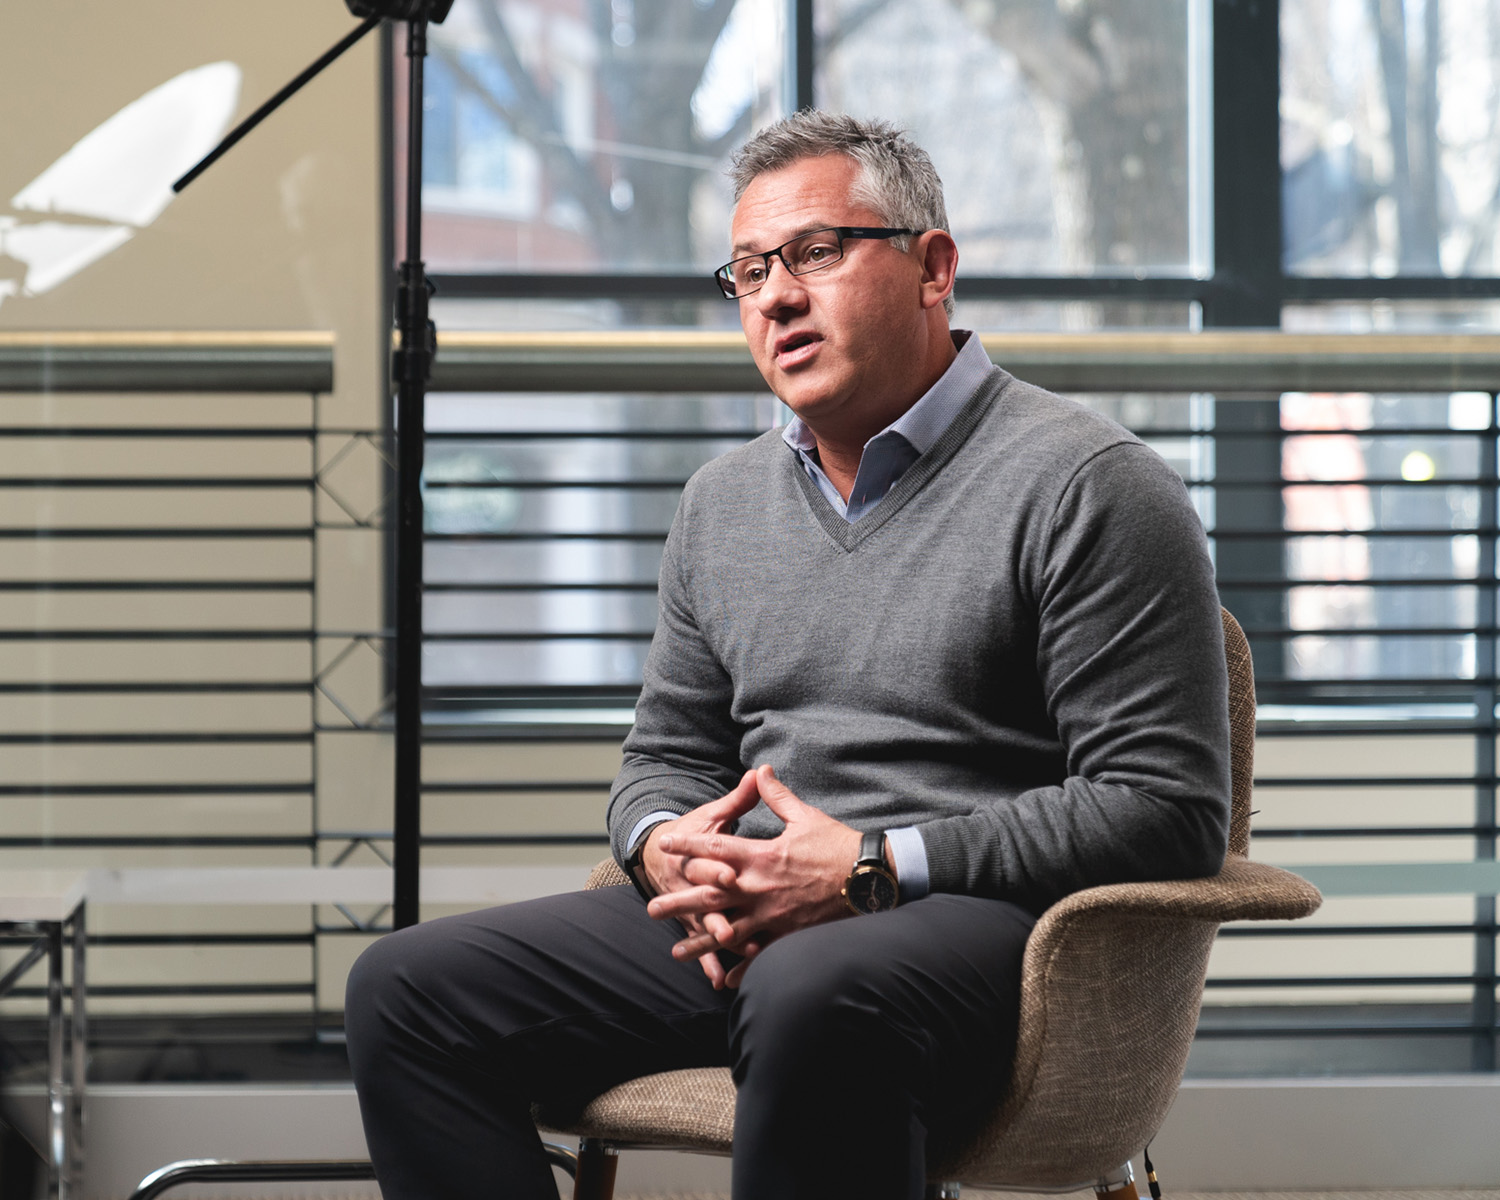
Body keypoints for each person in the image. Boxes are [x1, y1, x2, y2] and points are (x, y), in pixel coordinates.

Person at [344, 110, 1231, 1200]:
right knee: (409, 988)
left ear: (933, 267)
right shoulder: (721, 504)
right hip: (751, 925)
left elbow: (1164, 806)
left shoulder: (1092, 484)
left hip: (981, 934)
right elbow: (663, 754)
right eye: (750, 270)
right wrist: (665, 842)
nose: (775, 295)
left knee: (816, 985)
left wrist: (870, 865)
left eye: (815, 253)